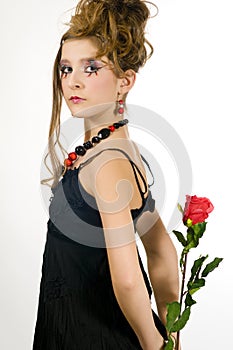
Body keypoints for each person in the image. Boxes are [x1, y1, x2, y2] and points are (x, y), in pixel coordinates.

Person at [33, 0, 180, 349]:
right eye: (67, 69)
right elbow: (160, 249)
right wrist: (170, 329)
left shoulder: (108, 164)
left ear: (124, 81)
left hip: (91, 335)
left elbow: (129, 281)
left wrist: (154, 343)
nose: (74, 82)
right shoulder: (110, 153)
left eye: (91, 68)